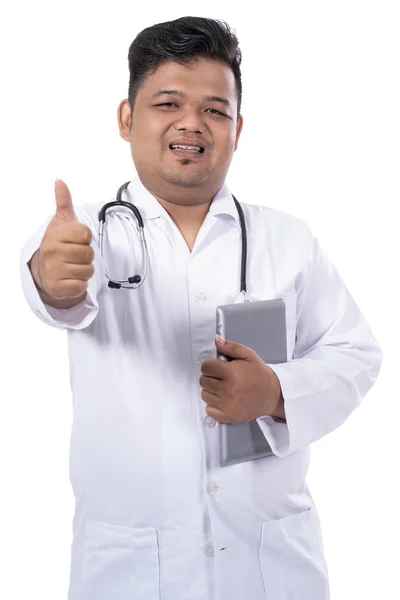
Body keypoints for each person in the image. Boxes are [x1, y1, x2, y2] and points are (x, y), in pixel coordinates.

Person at [20, 15, 382, 600]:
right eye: (168, 102)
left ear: (238, 128)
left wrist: (273, 394)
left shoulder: (288, 240)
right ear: (127, 118)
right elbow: (59, 295)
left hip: (269, 568)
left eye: (215, 109)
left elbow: (355, 354)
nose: (192, 123)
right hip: (130, 568)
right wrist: (53, 277)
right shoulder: (84, 229)